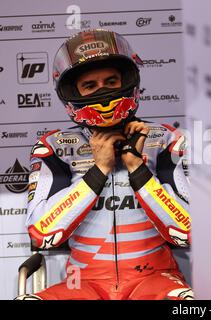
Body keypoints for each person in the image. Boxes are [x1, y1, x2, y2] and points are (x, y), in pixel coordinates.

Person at [18, 29, 192, 300]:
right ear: (72, 93)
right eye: (90, 85)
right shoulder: (55, 147)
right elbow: (42, 233)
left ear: (128, 82)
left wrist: (139, 169)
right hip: (82, 283)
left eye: (111, 81)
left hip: (154, 279)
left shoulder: (165, 139)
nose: (103, 92)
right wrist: (98, 171)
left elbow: (188, 231)